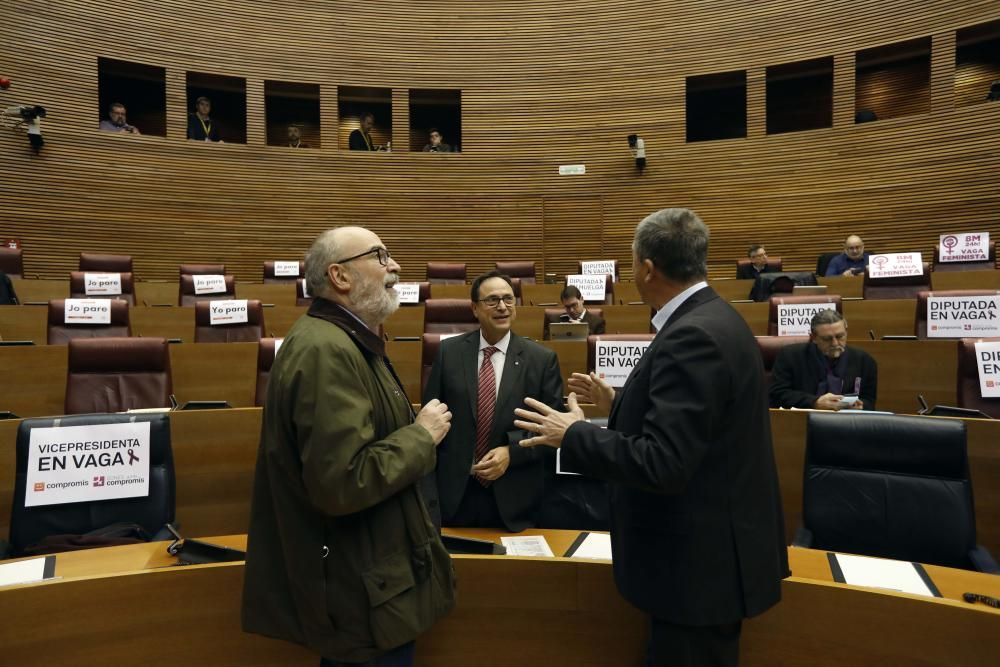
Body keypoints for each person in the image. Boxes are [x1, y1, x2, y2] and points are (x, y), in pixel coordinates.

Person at [513, 208, 788, 667]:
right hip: (712, 558)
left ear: (646, 268)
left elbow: (664, 462)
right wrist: (618, 402)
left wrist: (574, 434)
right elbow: (699, 425)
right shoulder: (719, 317)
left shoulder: (691, 336)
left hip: (698, 572)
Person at [242, 227, 456, 667]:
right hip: (361, 591)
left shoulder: (348, 340)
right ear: (339, 276)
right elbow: (342, 480)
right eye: (380, 256)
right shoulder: (327, 350)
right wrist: (421, 435)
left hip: (370, 582)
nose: (394, 266)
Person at [422, 270, 564, 532]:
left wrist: (512, 452)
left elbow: (552, 432)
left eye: (508, 299)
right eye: (492, 300)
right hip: (454, 496)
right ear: (475, 308)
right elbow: (431, 420)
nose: (502, 307)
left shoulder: (542, 361)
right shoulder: (448, 352)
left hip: (515, 498)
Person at [769, 308, 878, 411]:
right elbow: (778, 394)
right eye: (827, 339)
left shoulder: (864, 361)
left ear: (846, 332)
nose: (835, 343)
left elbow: (869, 400)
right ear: (814, 338)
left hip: (849, 423)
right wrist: (814, 402)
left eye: (840, 336)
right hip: (803, 421)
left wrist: (861, 406)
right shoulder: (790, 356)